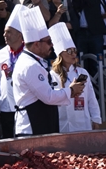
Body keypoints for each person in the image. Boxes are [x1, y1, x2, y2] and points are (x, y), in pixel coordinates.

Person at [10, 8, 71, 136]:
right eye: (49, 42)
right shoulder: (30, 65)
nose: (52, 45)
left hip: (40, 123)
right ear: (37, 44)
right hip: (32, 128)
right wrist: (71, 91)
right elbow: (48, 96)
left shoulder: (34, 61)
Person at [49, 23, 102, 134]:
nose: (73, 54)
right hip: (62, 125)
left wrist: (96, 118)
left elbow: (91, 98)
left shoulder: (82, 72)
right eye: (69, 51)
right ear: (60, 54)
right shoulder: (52, 75)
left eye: (75, 51)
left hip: (83, 123)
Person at [0, 10, 23, 139]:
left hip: (23, 104)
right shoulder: (1, 53)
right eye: (4, 32)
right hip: (6, 104)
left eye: (9, 32)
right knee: (7, 137)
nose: (5, 35)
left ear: (19, 35)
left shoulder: (28, 53)